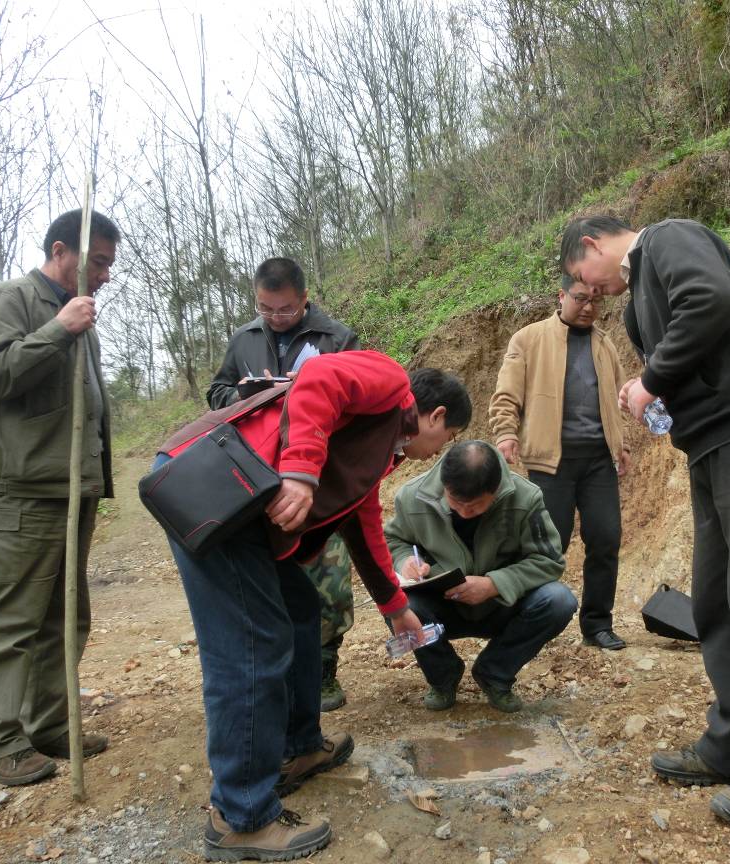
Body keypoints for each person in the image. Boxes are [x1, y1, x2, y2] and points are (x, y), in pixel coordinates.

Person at [155, 352, 470, 861]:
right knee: (252, 643)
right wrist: (301, 471)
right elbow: (319, 377)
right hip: (212, 480)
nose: (440, 449)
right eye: (448, 437)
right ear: (436, 416)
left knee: (301, 609)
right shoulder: (390, 383)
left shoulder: (381, 448)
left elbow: (364, 521)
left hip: (245, 499)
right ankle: (240, 816)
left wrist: (395, 607)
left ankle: (297, 748)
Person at [560, 215, 730, 829]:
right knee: (716, 601)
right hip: (709, 445)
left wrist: (650, 382)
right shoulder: (636, 304)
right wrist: (650, 390)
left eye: (581, 274)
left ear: (593, 244)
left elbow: (711, 299)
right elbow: (689, 350)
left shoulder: (668, 238)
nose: (588, 289)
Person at [0, 209, 121, 786]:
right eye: (96, 261)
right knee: (8, 621)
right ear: (60, 252)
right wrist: (59, 329)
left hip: (69, 492)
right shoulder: (13, 299)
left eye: (108, 263)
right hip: (19, 495)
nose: (104, 274)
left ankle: (49, 724)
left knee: (63, 616)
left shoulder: (77, 313)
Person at [206, 257, 361, 712]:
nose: (275, 317)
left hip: (319, 477)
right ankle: (280, 671)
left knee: (328, 577)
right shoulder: (244, 338)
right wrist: (243, 394)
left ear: (304, 299)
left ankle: (324, 669)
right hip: (257, 475)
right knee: (270, 577)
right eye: (266, 308)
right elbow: (216, 394)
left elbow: (359, 401)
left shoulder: (336, 338)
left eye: (286, 309)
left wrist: (312, 392)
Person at [489, 275, 630, 650]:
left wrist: (622, 445)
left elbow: (616, 400)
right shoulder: (528, 339)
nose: (588, 307)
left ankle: (597, 624)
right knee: (548, 546)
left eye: (595, 301)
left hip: (599, 461)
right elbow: (506, 394)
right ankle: (532, 621)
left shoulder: (605, 345)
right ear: (562, 295)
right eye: (580, 298)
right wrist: (506, 433)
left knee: (606, 539)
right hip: (551, 462)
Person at [385, 440, 576, 713]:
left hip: (502, 605)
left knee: (559, 601)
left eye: (475, 506)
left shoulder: (525, 498)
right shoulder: (413, 496)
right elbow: (394, 540)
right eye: (455, 502)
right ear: (444, 485)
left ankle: (494, 673)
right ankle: (442, 676)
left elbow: (549, 560)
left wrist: (495, 584)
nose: (464, 512)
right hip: (441, 608)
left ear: (495, 490)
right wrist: (406, 561)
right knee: (397, 605)